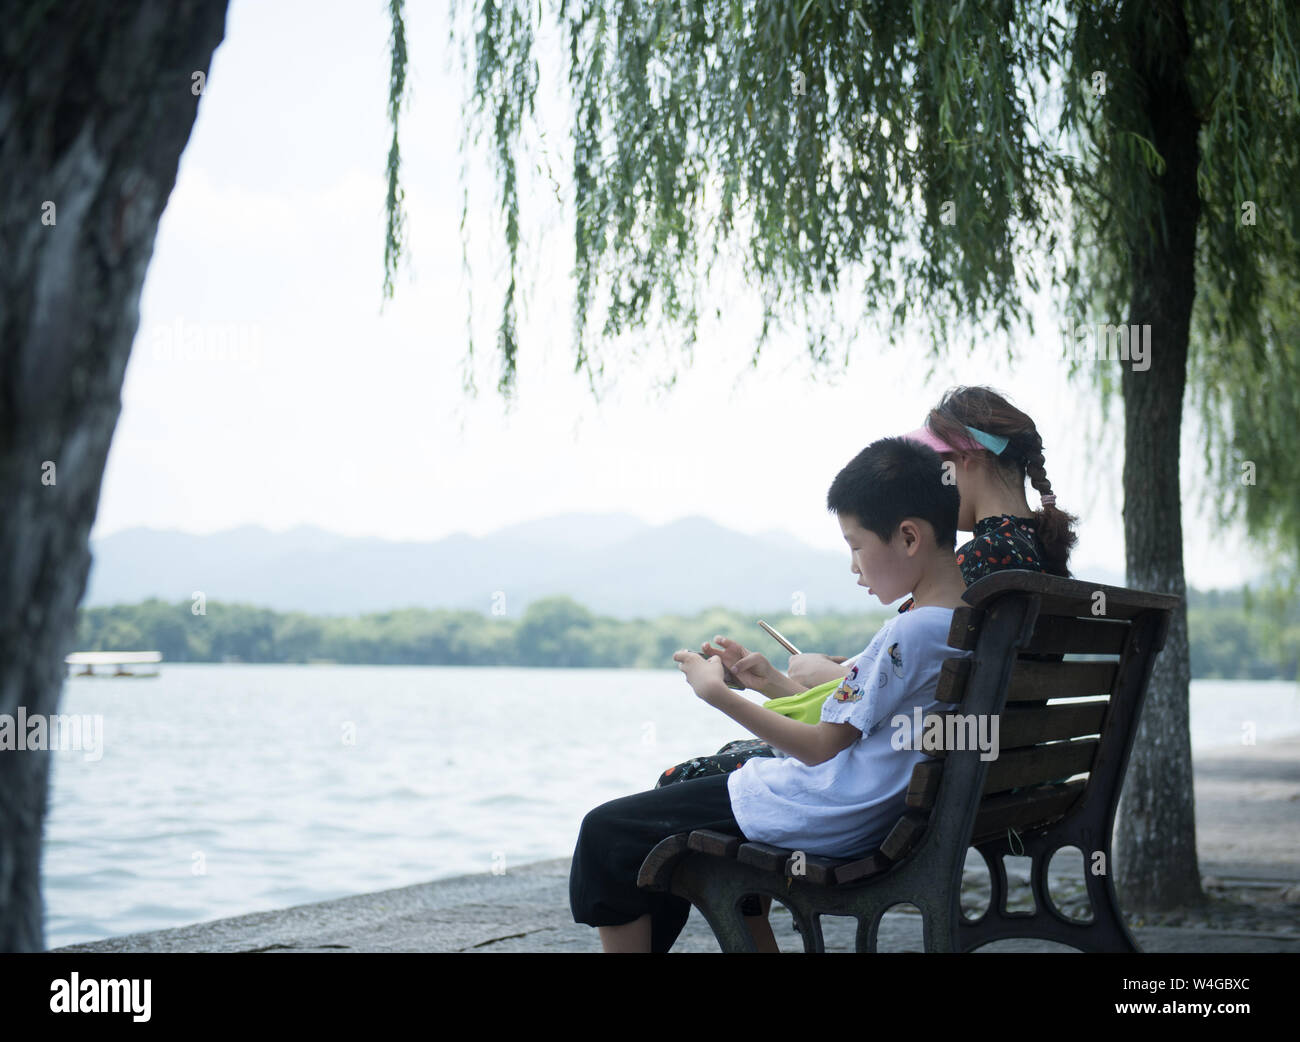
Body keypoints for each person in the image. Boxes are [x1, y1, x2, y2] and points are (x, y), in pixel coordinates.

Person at [568, 436, 973, 952]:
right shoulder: (963, 622)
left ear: (909, 537)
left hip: (828, 811)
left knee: (608, 833)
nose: (853, 567)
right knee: (650, 821)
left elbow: (820, 745)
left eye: (856, 545)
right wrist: (768, 685)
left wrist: (717, 695)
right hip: (870, 808)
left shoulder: (908, 633)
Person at [656, 383, 1080, 788]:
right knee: (727, 760)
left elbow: (899, 687)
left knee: (684, 777)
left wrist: (830, 673)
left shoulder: (985, 559)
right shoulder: (1034, 551)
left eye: (936, 465)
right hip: (992, 772)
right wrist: (773, 680)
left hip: (936, 778)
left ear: (968, 459)